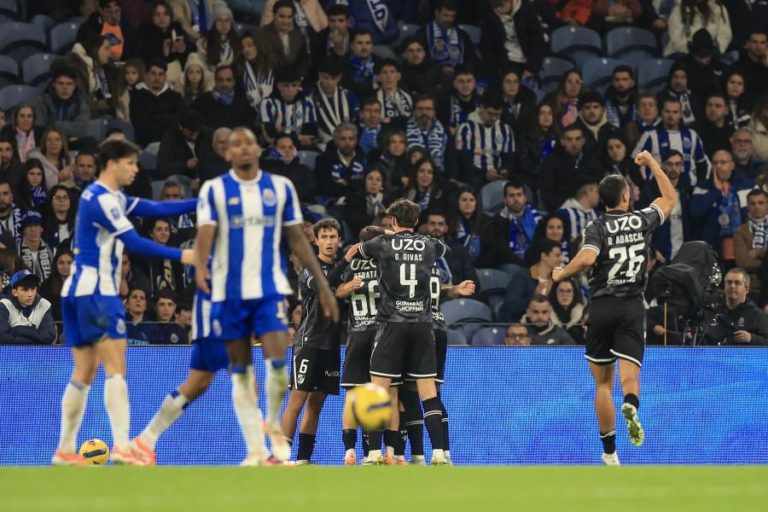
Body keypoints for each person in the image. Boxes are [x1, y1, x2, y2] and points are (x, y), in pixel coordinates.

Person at [193, 127, 339, 465]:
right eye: (236, 144)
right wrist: (200, 266)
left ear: (259, 150)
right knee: (244, 374)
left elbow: (298, 239)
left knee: (277, 371)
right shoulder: (214, 189)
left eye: (249, 143)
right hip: (233, 292)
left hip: (270, 290)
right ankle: (258, 449)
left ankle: (279, 451)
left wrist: (323, 284)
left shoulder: (280, 188)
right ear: (227, 152)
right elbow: (205, 233)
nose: (244, 149)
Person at [52, 139, 196, 466]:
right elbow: (131, 240)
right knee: (116, 369)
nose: (135, 169)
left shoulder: (106, 197)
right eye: (131, 163)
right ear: (112, 163)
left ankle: (64, 450)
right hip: (98, 293)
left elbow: (157, 209)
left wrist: (201, 202)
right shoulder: (102, 199)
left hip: (76, 292)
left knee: (84, 372)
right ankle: (123, 447)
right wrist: (182, 254)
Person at [552, 150, 677, 466]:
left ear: (603, 200)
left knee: (602, 383)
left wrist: (560, 273)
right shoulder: (641, 219)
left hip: (602, 306)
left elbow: (588, 258)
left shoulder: (596, 226)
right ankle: (632, 403)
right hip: (633, 306)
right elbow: (670, 198)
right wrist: (651, 164)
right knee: (630, 376)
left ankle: (609, 453)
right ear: (626, 196)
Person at [355, 198, 449, 465]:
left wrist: (388, 234)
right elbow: (441, 249)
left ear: (393, 221)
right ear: (416, 221)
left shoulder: (382, 243)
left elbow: (360, 251)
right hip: (422, 326)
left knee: (378, 390)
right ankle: (439, 453)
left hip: (390, 325)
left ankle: (373, 453)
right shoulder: (430, 244)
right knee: (428, 392)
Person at [281, 219, 345, 465]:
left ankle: (303, 459)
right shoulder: (310, 267)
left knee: (316, 404)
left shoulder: (340, 267)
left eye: (333, 237)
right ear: (316, 240)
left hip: (331, 344)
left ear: (338, 240)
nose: (329, 242)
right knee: (297, 400)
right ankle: (282, 457)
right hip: (309, 342)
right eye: (325, 237)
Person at [335, 225, 383, 464]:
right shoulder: (388, 263)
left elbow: (337, 292)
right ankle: (374, 451)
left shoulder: (352, 263)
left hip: (357, 333)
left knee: (353, 396)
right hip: (381, 335)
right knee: (378, 393)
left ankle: (349, 450)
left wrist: (350, 286)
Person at [633, 98, 711, 187]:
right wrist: (643, 186)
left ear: (681, 114)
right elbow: (633, 164)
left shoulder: (692, 135)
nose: (671, 115)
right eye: (667, 111)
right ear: (661, 113)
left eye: (675, 112)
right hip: (658, 190)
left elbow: (701, 164)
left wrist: (699, 186)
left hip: (688, 190)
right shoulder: (650, 136)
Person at [456, 89, 516, 191]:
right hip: (474, 176)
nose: (494, 118)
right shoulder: (466, 128)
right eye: (490, 113)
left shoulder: (505, 129)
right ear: (482, 107)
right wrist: (485, 174)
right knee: (474, 181)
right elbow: (464, 161)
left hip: (497, 175)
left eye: (497, 114)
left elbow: (509, 157)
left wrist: (504, 171)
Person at [639, 150, 693, 262]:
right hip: (660, 255)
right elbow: (643, 225)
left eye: (677, 164)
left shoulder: (688, 190)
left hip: (684, 254)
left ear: (682, 166)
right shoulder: (649, 191)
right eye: (670, 164)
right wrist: (652, 249)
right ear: (663, 165)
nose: (673, 168)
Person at [479, 180, 541, 271]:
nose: (516, 199)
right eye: (511, 195)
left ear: (525, 198)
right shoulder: (497, 222)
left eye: (519, 195)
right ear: (505, 199)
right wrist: (526, 265)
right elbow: (503, 252)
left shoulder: (538, 219)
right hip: (513, 263)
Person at [540, 124, 603, 212]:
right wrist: (572, 204)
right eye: (569, 139)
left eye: (578, 139)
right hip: (562, 211)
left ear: (583, 141)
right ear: (562, 141)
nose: (574, 143)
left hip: (592, 210)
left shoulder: (593, 160)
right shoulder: (551, 161)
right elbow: (547, 195)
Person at [498, 238, 562, 322]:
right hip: (520, 326)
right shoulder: (523, 276)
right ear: (544, 256)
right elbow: (510, 309)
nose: (560, 259)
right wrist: (533, 297)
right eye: (557, 255)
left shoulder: (556, 281)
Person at [700, 268, 768, 345]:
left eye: (737, 283)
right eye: (729, 282)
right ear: (724, 287)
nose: (732, 286)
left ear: (747, 289)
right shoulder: (713, 312)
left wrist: (751, 338)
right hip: (714, 355)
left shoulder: (758, 316)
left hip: (744, 356)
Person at [130, 59, 187, 147]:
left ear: (165, 77)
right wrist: (167, 118)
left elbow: (181, 120)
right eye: (153, 73)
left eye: (161, 74)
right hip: (145, 145)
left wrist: (155, 117)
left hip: (172, 145)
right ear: (146, 75)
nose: (157, 78)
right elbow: (140, 123)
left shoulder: (176, 97)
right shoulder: (136, 96)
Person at [418, 0, 479, 80]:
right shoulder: (423, 33)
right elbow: (419, 58)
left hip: (458, 77)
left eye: (452, 16)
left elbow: (472, 58)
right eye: (446, 15)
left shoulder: (462, 35)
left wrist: (461, 72)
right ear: (436, 13)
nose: (449, 20)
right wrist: (439, 70)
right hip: (431, 77)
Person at [260, 66, 318, 147]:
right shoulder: (268, 103)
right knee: (271, 156)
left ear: (299, 86)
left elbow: (312, 133)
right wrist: (298, 137)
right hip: (275, 147)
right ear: (278, 86)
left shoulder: (307, 103)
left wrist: (285, 135)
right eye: (286, 85)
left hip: (300, 146)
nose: (290, 89)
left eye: (294, 85)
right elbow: (271, 134)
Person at [32, 66, 91, 143]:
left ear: (74, 86)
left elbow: (81, 129)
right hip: (47, 143)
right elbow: (39, 129)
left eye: (69, 84)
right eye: (60, 83)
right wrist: (67, 131)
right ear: (54, 84)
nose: (65, 88)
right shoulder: (41, 101)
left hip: (70, 143)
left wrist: (54, 125)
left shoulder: (81, 105)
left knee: (90, 141)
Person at [255, 0, 310, 80]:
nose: (285, 21)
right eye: (282, 16)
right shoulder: (262, 35)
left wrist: (298, 78)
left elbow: (304, 62)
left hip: (293, 82)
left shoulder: (299, 36)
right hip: (270, 81)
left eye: (289, 17)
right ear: (274, 15)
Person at [191, 65, 254, 131]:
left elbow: (248, 129)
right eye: (220, 80)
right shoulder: (203, 100)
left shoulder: (242, 103)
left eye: (228, 80)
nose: (224, 84)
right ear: (215, 81)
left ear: (234, 82)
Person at [261, 133, 317, 203]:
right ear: (274, 150)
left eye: (290, 147)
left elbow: (311, 188)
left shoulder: (303, 169)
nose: (287, 151)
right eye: (283, 148)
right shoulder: (266, 171)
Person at [157, 111, 212, 181]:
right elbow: (162, 167)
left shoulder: (206, 133)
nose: (194, 137)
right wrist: (185, 165)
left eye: (196, 133)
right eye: (191, 133)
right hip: (182, 177)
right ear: (181, 127)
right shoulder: (170, 137)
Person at [664, 0, 732, 57]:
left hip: (709, 55)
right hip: (682, 53)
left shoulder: (718, 9)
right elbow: (676, 38)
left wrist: (717, 50)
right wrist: (693, 51)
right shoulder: (679, 9)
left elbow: (725, 34)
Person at [734, 189, 768, 300]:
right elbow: (744, 263)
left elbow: (751, 261)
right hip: (753, 287)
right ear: (748, 206)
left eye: (761, 203)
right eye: (753, 203)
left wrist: (758, 252)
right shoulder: (740, 231)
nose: (757, 206)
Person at [406, 95, 449, 174]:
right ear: (414, 111)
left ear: (434, 112)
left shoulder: (444, 131)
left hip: (440, 173)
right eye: (420, 109)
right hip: (411, 174)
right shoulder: (404, 129)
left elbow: (450, 158)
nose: (424, 112)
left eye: (428, 109)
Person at [17, 211, 54, 282]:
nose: (33, 229)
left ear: (42, 229)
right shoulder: (15, 249)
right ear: (23, 230)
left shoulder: (51, 250)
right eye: (29, 226)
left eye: (36, 225)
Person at [39, 248, 74, 323]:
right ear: (56, 265)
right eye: (61, 263)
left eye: (69, 263)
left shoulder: (83, 285)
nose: (65, 266)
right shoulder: (46, 286)